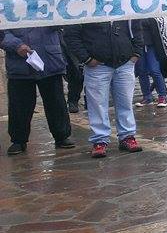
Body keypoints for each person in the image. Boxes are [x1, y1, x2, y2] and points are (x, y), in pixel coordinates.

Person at [64, 20, 144, 158]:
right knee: (97, 104)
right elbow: (71, 34)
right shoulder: (85, 6)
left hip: (124, 62)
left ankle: (127, 136)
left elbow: (136, 26)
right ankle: (100, 140)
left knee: (125, 101)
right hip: (97, 65)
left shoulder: (124, 3)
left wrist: (136, 52)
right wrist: (86, 58)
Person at [3, 26, 76, 155]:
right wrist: (16, 45)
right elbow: (2, 31)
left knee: (56, 102)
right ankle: (18, 140)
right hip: (19, 62)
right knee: (19, 105)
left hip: (49, 59)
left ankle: (62, 135)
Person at [134, 17, 167, 107]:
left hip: (152, 46)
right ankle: (147, 96)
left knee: (154, 70)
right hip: (138, 45)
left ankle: (162, 95)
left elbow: (159, 25)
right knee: (141, 71)